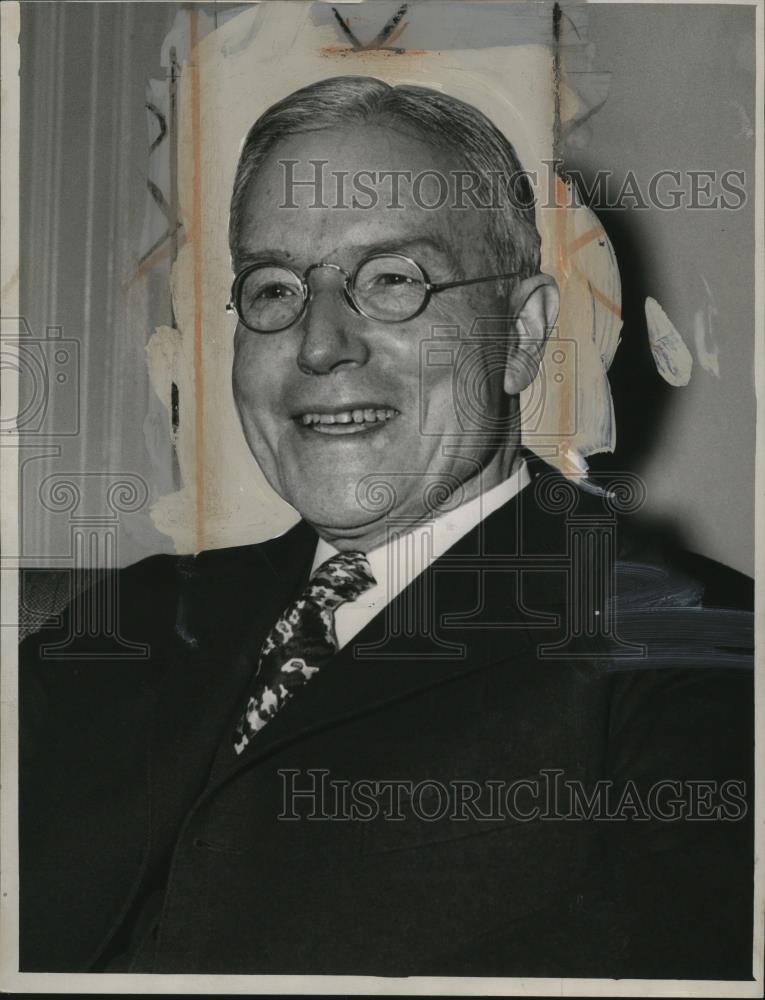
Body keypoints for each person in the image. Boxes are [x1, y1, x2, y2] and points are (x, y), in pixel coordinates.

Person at [19, 76, 754, 978]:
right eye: (274, 288)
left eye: (392, 280)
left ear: (521, 337)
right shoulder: (127, 618)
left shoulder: (696, 644)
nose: (321, 344)